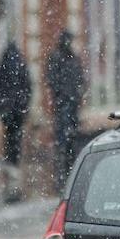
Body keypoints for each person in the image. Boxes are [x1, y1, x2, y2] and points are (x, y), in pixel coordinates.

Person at [45, 30, 85, 187]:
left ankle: (68, 165)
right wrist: (62, 93)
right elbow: (52, 79)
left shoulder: (72, 58)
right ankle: (62, 169)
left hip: (71, 102)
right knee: (63, 135)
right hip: (64, 102)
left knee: (70, 135)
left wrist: (77, 92)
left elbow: (79, 77)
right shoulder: (58, 58)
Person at [0, 41, 31, 171]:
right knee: (16, 134)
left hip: (5, 107)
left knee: (8, 133)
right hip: (18, 107)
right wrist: (24, 103)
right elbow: (28, 88)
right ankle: (14, 160)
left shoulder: (0, 67)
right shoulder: (22, 67)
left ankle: (9, 160)